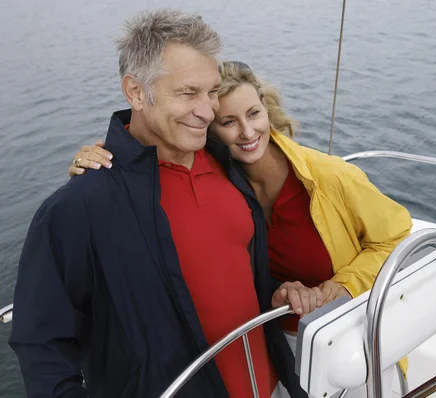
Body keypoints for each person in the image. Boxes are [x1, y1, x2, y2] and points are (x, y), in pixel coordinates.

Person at [9, 10, 307, 398]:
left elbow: (226, 269)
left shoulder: (228, 165)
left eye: (212, 91)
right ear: (135, 91)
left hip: (270, 385)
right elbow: (41, 346)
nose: (208, 110)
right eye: (188, 93)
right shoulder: (78, 207)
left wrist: (277, 290)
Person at [68, 61, 414, 374]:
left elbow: (397, 235)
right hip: (273, 345)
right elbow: (151, 153)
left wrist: (342, 285)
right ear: (209, 129)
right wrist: (101, 160)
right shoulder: (220, 184)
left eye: (253, 114)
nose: (247, 133)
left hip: (352, 336)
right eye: (229, 122)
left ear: (268, 111)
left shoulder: (328, 177)